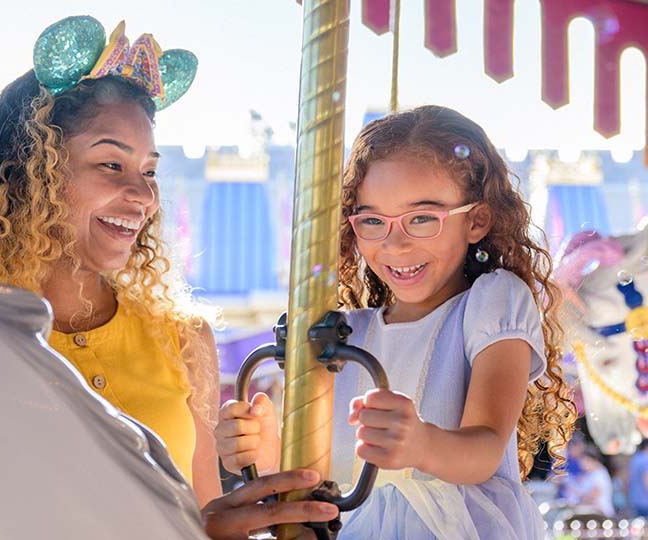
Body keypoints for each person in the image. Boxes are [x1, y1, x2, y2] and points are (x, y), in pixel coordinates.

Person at [0, 15, 228, 504]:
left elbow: (205, 515)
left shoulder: (184, 341)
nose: (142, 195)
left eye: (149, 170)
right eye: (111, 164)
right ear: (33, 171)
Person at [215, 105, 577, 538]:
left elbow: (484, 448)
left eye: (422, 218)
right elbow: (331, 472)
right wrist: (269, 453)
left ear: (477, 220)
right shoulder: (349, 333)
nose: (396, 243)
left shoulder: (491, 301)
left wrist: (422, 443)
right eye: (372, 220)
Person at [629, 439, 648, 517]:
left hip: (635, 499)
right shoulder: (646, 459)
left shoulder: (635, 458)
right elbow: (646, 479)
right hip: (645, 501)